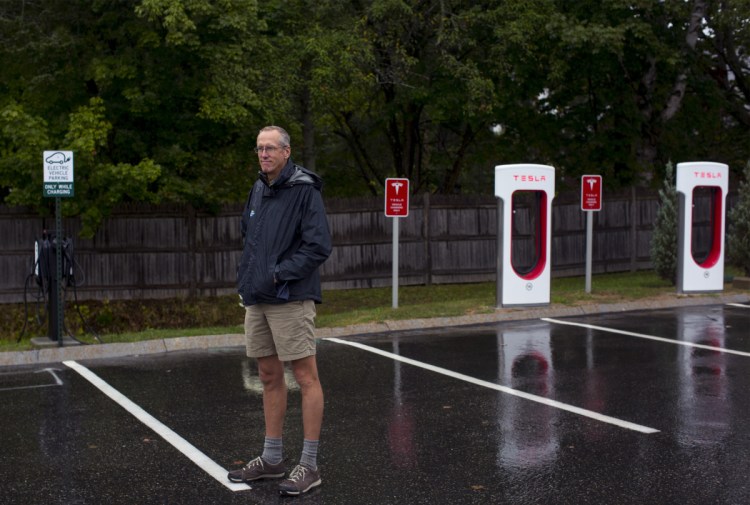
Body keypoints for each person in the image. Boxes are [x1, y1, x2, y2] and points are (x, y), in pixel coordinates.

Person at [228, 125, 332, 496]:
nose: (264, 154)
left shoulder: (304, 190)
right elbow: (249, 236)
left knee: (305, 377)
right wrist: (252, 280)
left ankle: (309, 465)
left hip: (290, 297)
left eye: (271, 148)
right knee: (269, 375)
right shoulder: (259, 187)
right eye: (259, 148)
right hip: (258, 298)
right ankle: (272, 459)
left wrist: (277, 274)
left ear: (287, 152)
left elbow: (319, 246)